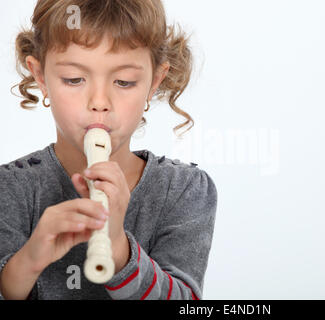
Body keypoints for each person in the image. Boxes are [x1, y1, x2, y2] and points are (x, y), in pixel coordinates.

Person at [0, 0, 217, 300]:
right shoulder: (9, 188)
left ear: (155, 81)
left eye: (124, 82)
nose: (99, 101)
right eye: (74, 79)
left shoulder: (184, 190)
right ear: (40, 76)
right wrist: (26, 263)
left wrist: (117, 249)